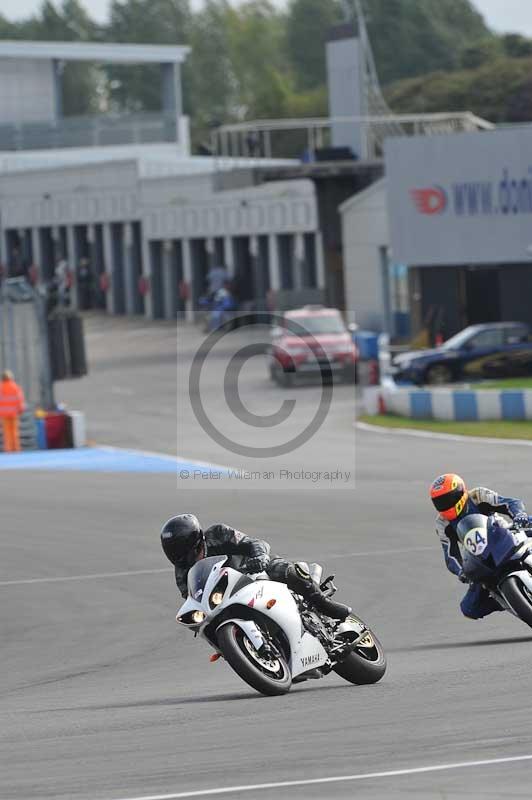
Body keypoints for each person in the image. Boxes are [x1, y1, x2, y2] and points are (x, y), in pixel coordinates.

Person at [160, 514, 351, 621]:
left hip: (256, 574)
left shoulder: (218, 534)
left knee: (286, 571)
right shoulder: (182, 574)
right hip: (228, 599)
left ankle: (324, 605)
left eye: (180, 549)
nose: (178, 555)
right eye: (173, 551)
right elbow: (194, 599)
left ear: (194, 542)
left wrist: (259, 557)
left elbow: (253, 543)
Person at [430, 473, 530, 619]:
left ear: (460, 492)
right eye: (439, 502)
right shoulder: (442, 523)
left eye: (447, 499)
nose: (444, 505)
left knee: (529, 523)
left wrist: (519, 515)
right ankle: (509, 601)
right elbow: (450, 555)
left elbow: (510, 503)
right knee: (469, 608)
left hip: (504, 537)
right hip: (480, 558)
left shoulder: (478, 495)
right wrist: (461, 571)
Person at [0, 370, 26, 453]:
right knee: (14, 432)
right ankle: (16, 449)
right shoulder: (15, 387)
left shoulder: (1, 388)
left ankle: (8, 449)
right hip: (14, 413)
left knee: (6, 433)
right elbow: (20, 399)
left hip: (4, 414)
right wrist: (21, 409)